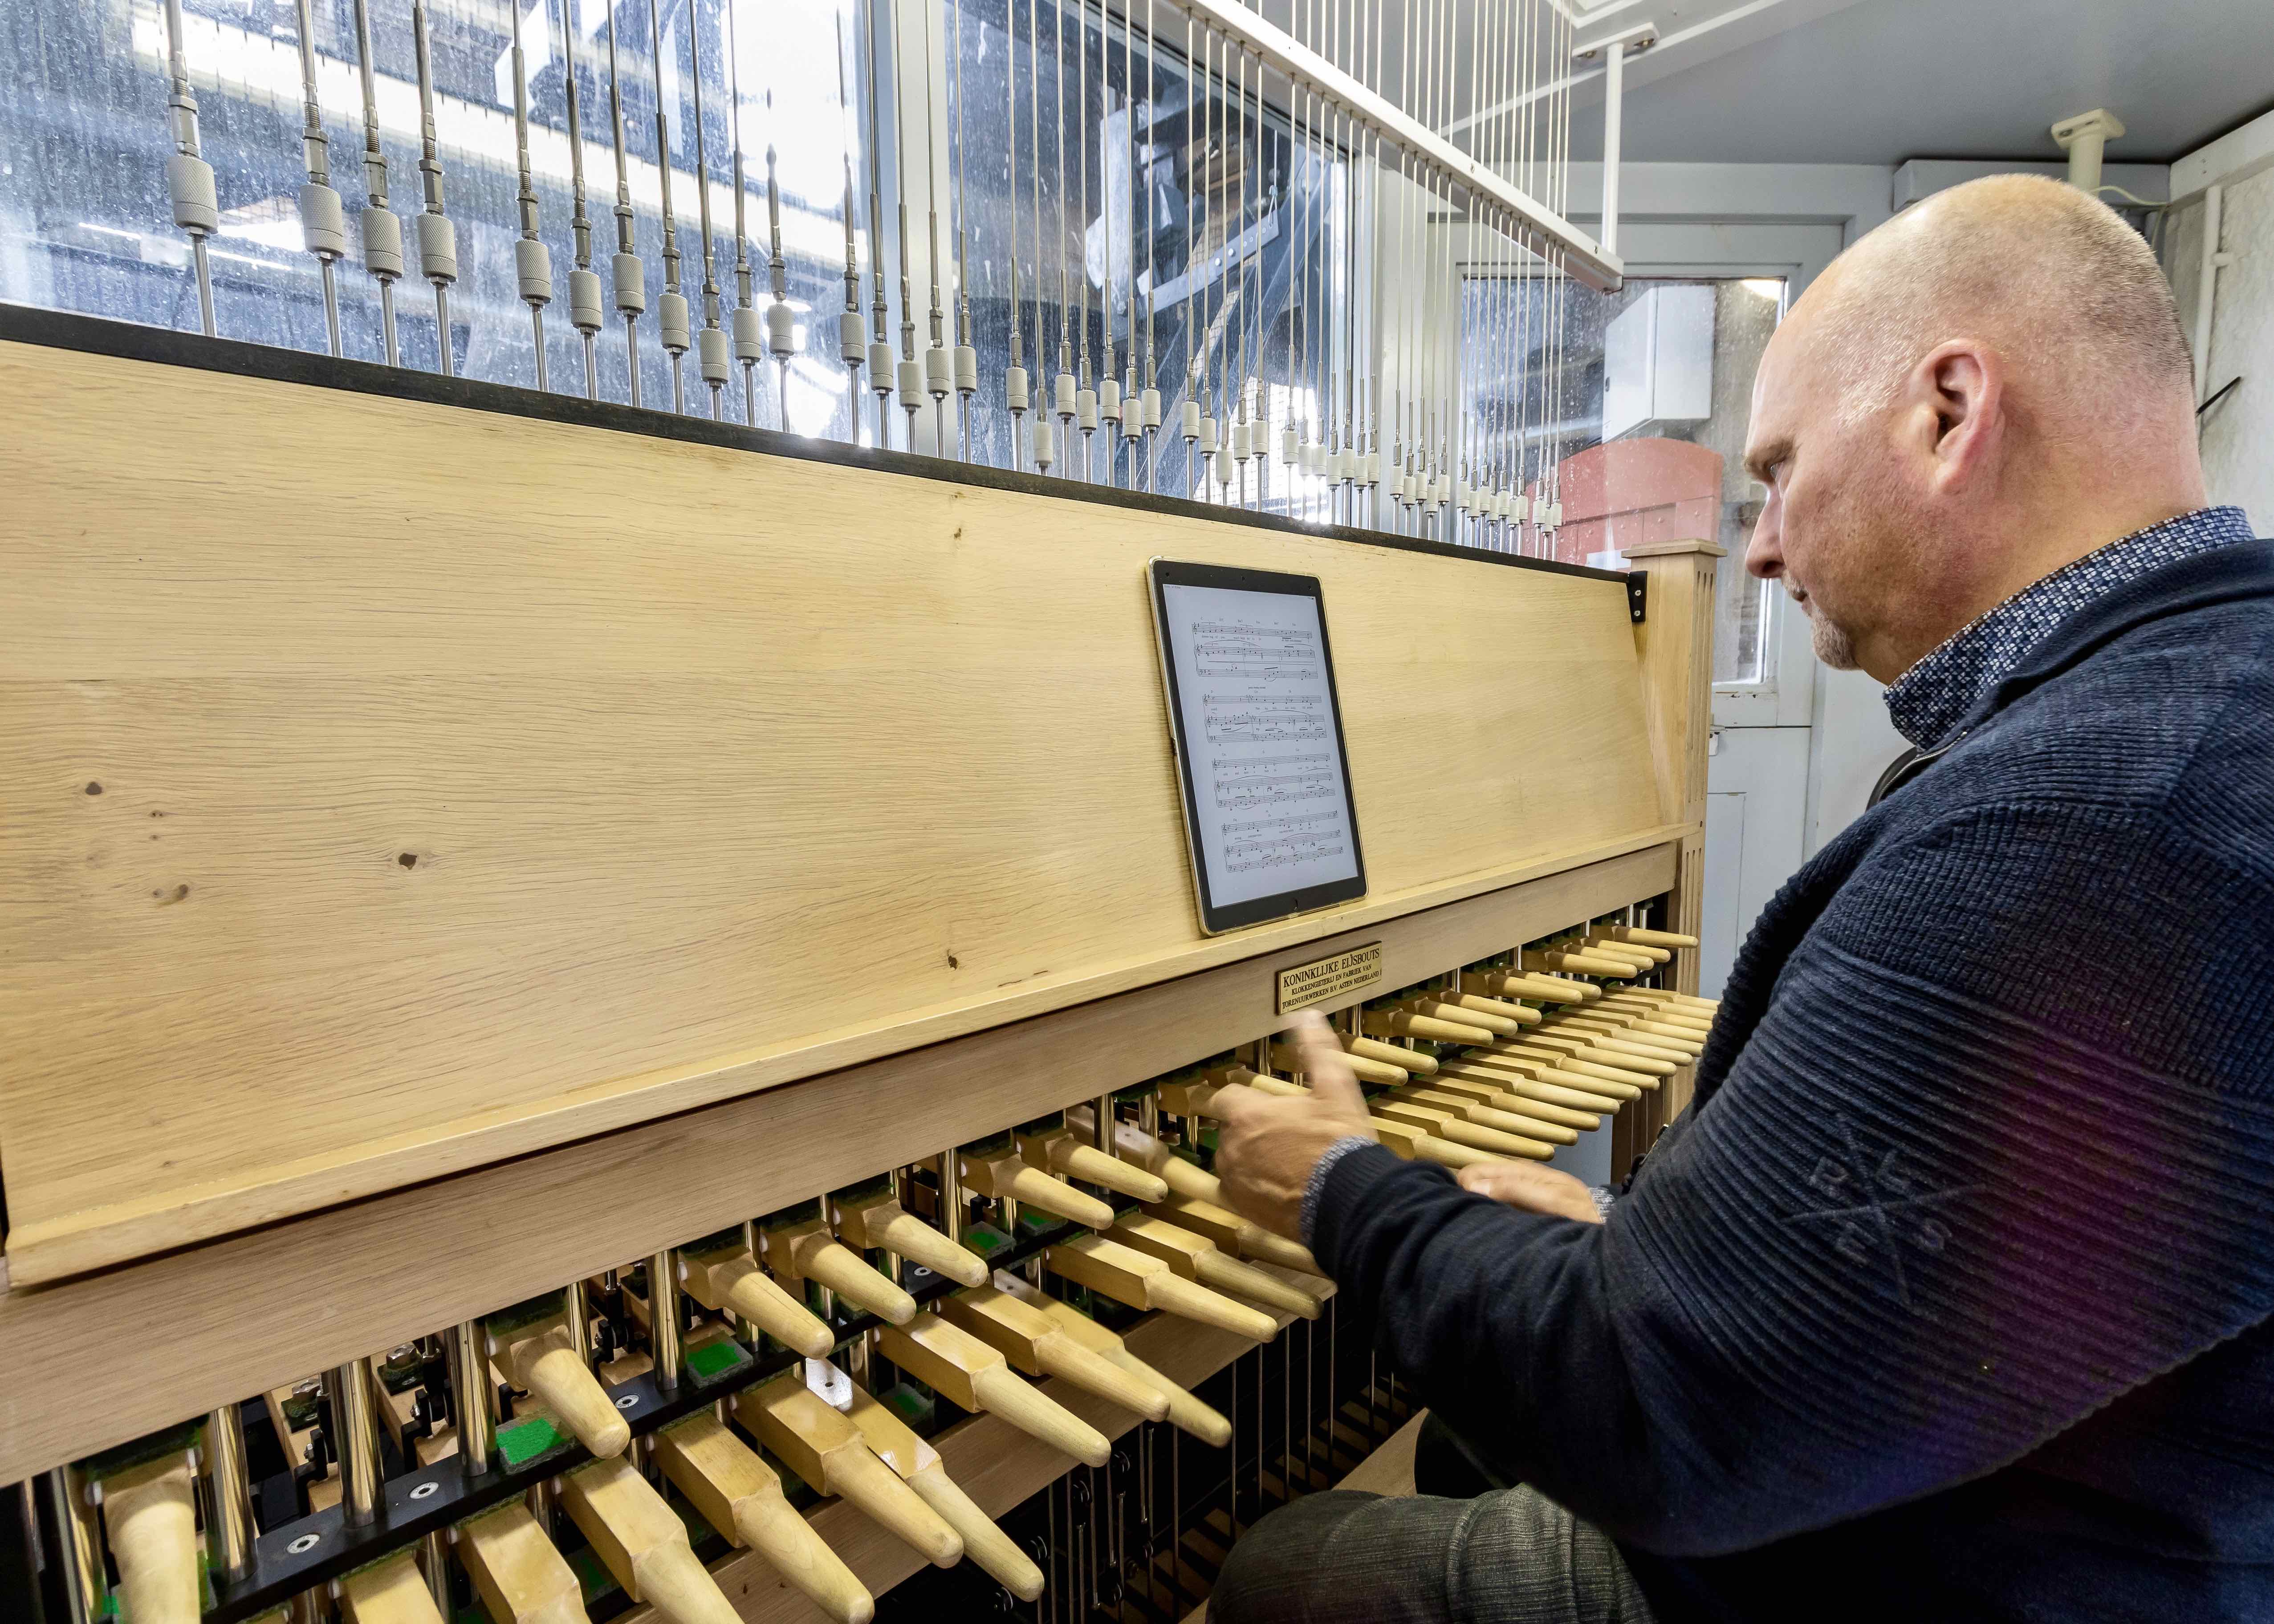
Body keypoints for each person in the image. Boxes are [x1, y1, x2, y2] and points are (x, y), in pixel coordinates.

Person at [1204, 173, 2274, 1624]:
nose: (1760, 546)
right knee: (1466, 1427)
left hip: (1983, 1573)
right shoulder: (2204, 687)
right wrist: (1652, 1256)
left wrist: (1342, 1189)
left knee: (1285, 1566)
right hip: (2096, 1494)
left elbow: (1654, 1418)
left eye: (1775, 471)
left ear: (1948, 411)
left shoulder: (2095, 814)